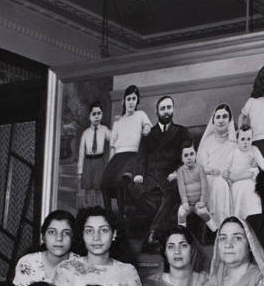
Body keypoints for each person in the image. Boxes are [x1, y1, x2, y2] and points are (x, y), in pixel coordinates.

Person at [133, 95, 191, 252]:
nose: (166, 111)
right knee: (136, 189)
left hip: (170, 178)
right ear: (157, 112)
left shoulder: (182, 132)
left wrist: (178, 172)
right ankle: (161, 232)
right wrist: (138, 173)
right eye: (162, 108)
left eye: (169, 107)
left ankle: (153, 234)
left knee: (172, 193)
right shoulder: (148, 134)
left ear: (173, 110)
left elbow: (188, 156)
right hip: (150, 180)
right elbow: (141, 157)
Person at [100, 86, 151, 214]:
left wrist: (146, 129)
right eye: (129, 99)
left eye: (134, 98)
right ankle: (108, 214)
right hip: (117, 156)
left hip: (133, 155)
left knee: (119, 181)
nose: (131, 102)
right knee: (104, 181)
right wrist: (110, 164)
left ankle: (121, 215)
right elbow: (113, 145)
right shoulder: (118, 122)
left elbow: (147, 125)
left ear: (137, 100)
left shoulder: (140, 115)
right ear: (124, 101)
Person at [197, 103, 237, 228]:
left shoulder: (235, 142)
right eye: (218, 117)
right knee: (220, 184)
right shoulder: (207, 142)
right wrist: (213, 171)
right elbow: (200, 166)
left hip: (231, 177)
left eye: (224, 116)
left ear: (230, 120)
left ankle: (242, 227)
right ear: (213, 120)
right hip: (210, 177)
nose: (221, 120)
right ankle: (222, 227)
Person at [223, 125, 264, 220]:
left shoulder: (254, 150)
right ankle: (239, 218)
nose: (246, 142)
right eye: (243, 139)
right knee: (240, 191)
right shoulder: (233, 151)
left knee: (253, 175)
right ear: (237, 140)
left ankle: (253, 217)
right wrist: (226, 172)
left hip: (249, 180)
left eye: (249, 139)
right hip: (236, 182)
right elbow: (226, 167)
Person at [176, 141, 217, 232]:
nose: (189, 157)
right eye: (186, 155)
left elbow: (204, 186)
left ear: (195, 155)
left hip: (198, 203)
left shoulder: (200, 168)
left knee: (204, 213)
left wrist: (202, 201)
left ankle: (215, 231)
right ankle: (182, 232)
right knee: (181, 213)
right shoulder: (180, 171)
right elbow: (181, 188)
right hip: (188, 204)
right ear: (182, 158)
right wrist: (185, 202)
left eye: (191, 154)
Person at [77, 101, 111, 208]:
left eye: (99, 113)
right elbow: (81, 152)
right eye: (94, 114)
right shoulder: (86, 133)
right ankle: (87, 208)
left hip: (99, 161)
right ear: (89, 116)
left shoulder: (104, 130)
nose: (97, 117)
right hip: (88, 161)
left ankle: (97, 208)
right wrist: (80, 171)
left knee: (98, 187)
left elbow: (114, 139)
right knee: (87, 187)